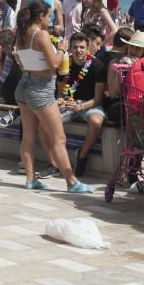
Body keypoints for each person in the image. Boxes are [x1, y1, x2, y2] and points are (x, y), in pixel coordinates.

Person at [14, 0, 92, 193]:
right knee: (59, 138)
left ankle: (31, 179)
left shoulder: (21, 33)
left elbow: (22, 64)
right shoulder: (40, 34)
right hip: (41, 91)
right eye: (49, 16)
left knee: (29, 136)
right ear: (41, 16)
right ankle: (72, 182)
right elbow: (55, 63)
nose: (50, 20)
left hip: (24, 85)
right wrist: (63, 48)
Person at [60, 32, 107, 178]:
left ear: (88, 49)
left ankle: (82, 156)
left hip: (89, 104)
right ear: (70, 49)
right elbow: (60, 92)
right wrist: (61, 100)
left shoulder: (97, 65)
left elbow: (98, 99)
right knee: (50, 121)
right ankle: (56, 160)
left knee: (96, 122)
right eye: (75, 47)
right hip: (69, 102)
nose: (78, 50)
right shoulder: (65, 63)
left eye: (82, 47)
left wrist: (80, 107)